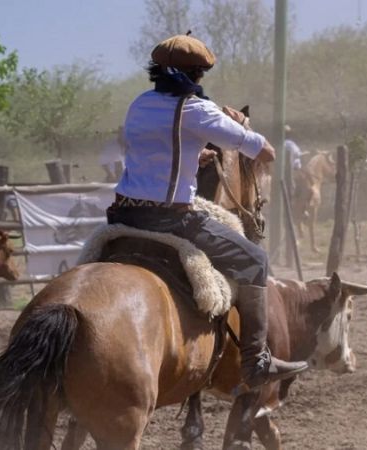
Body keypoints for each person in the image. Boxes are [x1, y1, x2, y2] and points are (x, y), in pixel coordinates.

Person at [107, 33, 308, 389]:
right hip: (171, 218)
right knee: (255, 261)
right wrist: (241, 124)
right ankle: (256, 361)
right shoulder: (197, 110)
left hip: (123, 214)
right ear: (197, 75)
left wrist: (192, 154)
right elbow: (266, 153)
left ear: (157, 71)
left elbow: (151, 149)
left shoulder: (138, 104)